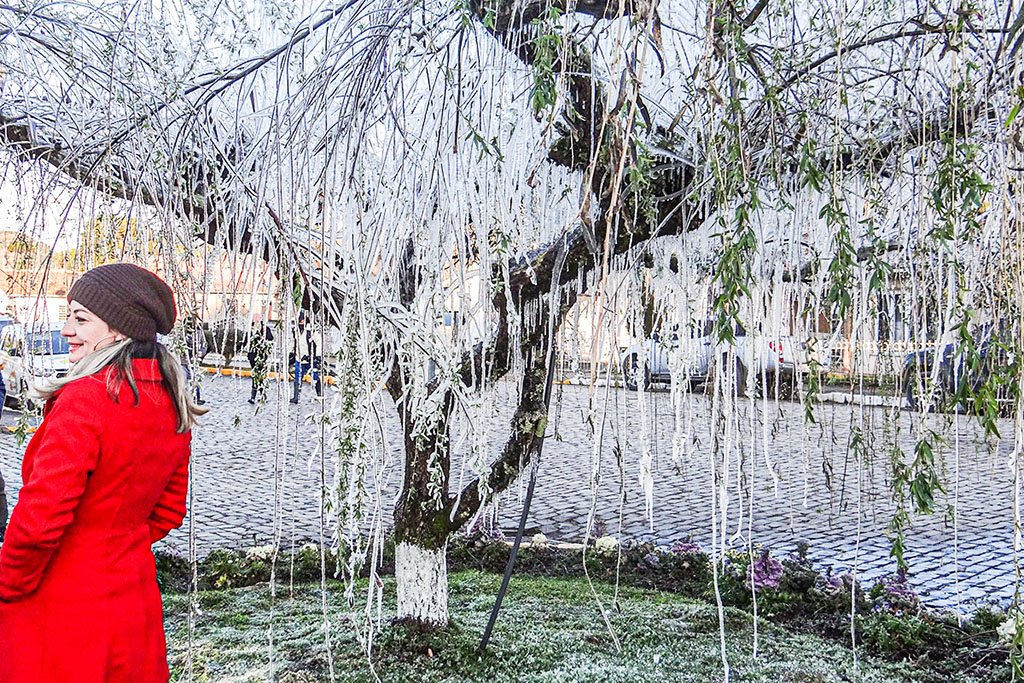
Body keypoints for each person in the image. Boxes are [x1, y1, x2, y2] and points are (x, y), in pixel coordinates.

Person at [0, 263, 206, 683]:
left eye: (81, 319)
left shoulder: (85, 400)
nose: (67, 331)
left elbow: (38, 523)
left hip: (60, 606)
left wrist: (7, 584)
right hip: (132, 601)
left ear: (118, 329)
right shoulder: (170, 400)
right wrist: (113, 544)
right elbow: (168, 512)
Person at [290, 311, 321, 403]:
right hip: (299, 359)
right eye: (299, 321)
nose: (300, 322)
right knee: (297, 378)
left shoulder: (311, 330)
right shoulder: (295, 331)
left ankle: (319, 394)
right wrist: (291, 353)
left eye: (302, 320)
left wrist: (317, 356)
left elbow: (319, 342)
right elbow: (293, 342)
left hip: (310, 360)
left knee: (315, 376)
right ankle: (296, 396)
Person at [247, 321, 274, 404]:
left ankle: (255, 396)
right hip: (252, 357)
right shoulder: (250, 331)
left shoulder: (265, 330)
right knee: (256, 376)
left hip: (261, 357)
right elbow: (246, 341)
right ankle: (261, 395)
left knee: (258, 376)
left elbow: (271, 339)